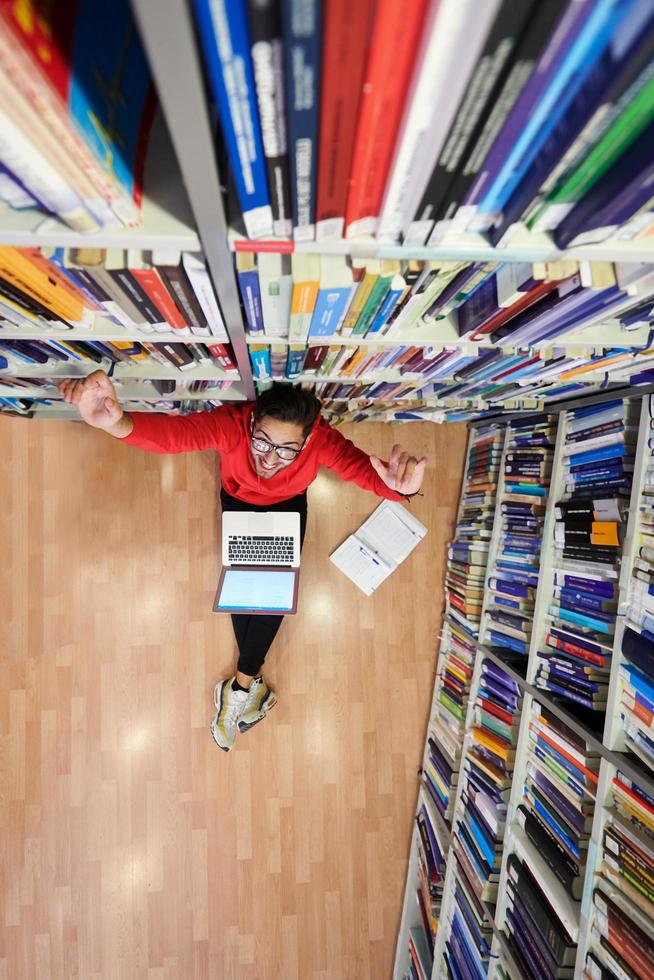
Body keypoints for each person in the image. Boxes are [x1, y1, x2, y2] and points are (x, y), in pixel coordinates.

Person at [58, 369, 427, 751]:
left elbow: (366, 473)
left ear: (308, 439)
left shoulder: (323, 441)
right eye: (263, 442)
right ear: (252, 422)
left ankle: (242, 685)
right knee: (247, 585)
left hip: (289, 508)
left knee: (273, 591)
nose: (269, 459)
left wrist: (403, 490)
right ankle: (245, 685)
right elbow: (176, 436)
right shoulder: (233, 424)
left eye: (287, 449)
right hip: (238, 502)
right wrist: (118, 424)